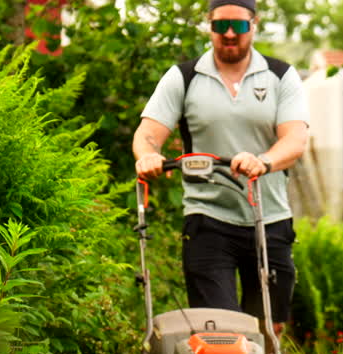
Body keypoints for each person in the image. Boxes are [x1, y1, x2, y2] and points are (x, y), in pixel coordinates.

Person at [132, 0, 310, 336]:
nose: (230, 34)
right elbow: (147, 135)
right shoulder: (183, 78)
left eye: (239, 26)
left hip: (269, 218)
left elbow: (295, 141)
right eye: (220, 26)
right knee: (222, 328)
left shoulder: (281, 76)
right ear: (209, 25)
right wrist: (148, 156)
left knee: (268, 328)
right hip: (208, 218)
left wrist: (263, 161)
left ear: (253, 25)